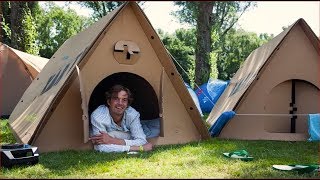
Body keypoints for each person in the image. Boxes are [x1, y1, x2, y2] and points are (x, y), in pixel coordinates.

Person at [89, 84, 153, 153]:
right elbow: (101, 146)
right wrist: (140, 148)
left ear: (127, 103)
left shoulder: (132, 114)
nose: (120, 103)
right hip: (126, 136)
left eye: (124, 100)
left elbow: (142, 141)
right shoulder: (98, 116)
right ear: (109, 102)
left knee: (153, 127)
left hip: (126, 134)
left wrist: (112, 140)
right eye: (116, 99)